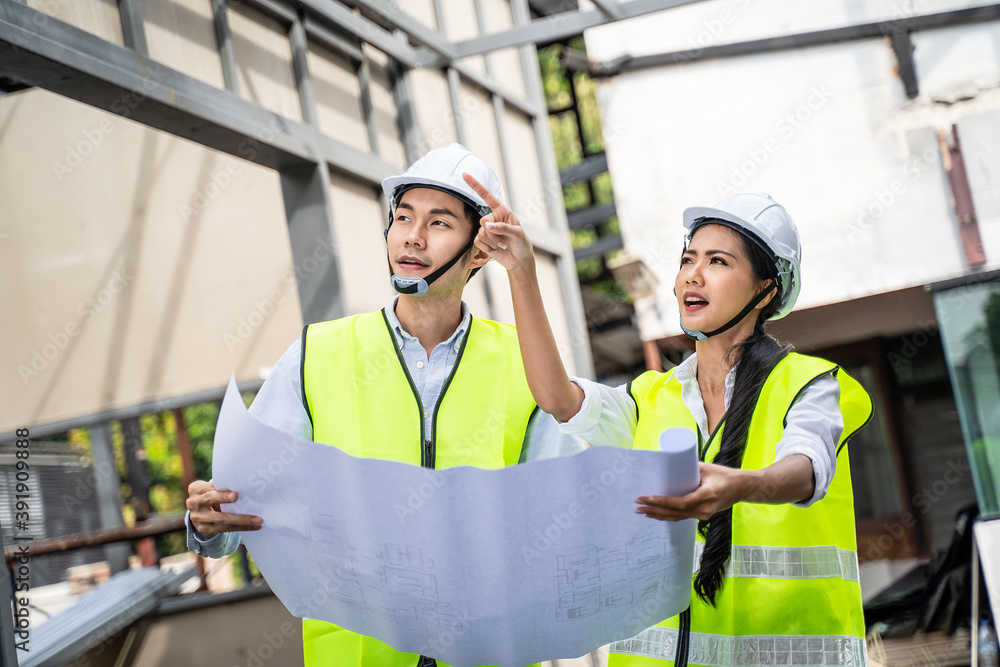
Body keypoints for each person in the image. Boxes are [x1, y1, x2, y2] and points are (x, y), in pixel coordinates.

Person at [185, 144, 584, 667]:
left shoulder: (523, 364)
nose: (413, 237)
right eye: (402, 218)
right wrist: (209, 525)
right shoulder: (317, 355)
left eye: (439, 222)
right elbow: (240, 505)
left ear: (480, 251)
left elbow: (562, 515)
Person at [468, 181, 874, 667]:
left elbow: (805, 467)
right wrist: (522, 272)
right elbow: (558, 399)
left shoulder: (810, 385)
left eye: (718, 262)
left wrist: (743, 485)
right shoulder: (649, 398)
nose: (692, 276)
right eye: (688, 260)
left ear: (766, 290)